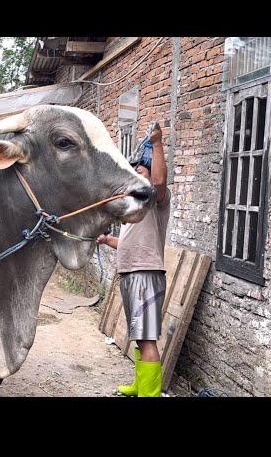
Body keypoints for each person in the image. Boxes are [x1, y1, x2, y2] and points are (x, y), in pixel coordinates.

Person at [97, 122, 170, 397]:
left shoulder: (156, 198)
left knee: (147, 337)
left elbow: (160, 181)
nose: (134, 178)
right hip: (130, 274)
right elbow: (127, 243)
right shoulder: (135, 208)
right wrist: (107, 241)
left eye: (138, 172)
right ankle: (140, 385)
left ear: (149, 176)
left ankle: (150, 394)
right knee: (139, 335)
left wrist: (158, 143)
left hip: (145, 273)